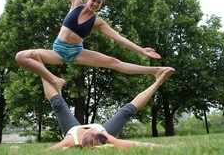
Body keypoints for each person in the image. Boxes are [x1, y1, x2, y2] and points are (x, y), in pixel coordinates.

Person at [15, 0, 175, 95]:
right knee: (21, 56)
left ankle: (155, 71)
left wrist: (141, 50)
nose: (95, 4)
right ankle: (56, 80)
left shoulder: (98, 22)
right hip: (58, 51)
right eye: (93, 1)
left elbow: (119, 39)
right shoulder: (76, 4)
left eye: (99, 3)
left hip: (77, 52)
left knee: (114, 62)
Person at [31, 52, 175, 149]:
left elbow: (48, 151)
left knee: (58, 104)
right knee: (127, 111)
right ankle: (158, 82)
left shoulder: (69, 141)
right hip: (101, 133)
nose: (92, 128)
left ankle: (40, 67)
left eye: (92, 131)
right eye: (94, 131)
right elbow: (134, 144)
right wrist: (165, 148)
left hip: (72, 130)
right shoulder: (103, 134)